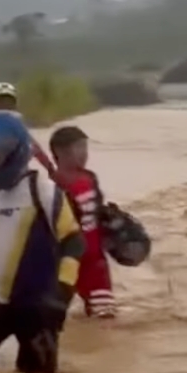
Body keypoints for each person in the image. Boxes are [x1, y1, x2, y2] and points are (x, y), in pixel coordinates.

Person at [0, 111, 85, 373]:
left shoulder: (43, 190)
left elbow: (73, 241)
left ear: (15, 153)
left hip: (40, 307)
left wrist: (62, 293)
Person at [48, 125, 116, 319]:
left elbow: (97, 212)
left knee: (104, 317)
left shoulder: (90, 177)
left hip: (95, 261)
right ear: (60, 152)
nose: (84, 154)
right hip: (67, 259)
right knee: (54, 316)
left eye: (85, 147)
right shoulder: (53, 185)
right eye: (78, 148)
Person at [0, 82, 54, 173]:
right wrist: (50, 169)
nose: (4, 104)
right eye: (0, 100)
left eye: (6, 101)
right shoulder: (15, 121)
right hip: (14, 175)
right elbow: (35, 149)